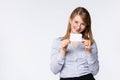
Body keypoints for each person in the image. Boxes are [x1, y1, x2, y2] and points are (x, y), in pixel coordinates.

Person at [50, 7, 99, 80]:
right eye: (76, 22)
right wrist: (63, 51)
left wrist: (88, 52)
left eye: (83, 24)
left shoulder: (90, 42)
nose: (78, 27)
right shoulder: (58, 42)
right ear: (70, 20)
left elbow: (95, 71)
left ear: (86, 26)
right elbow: (54, 70)